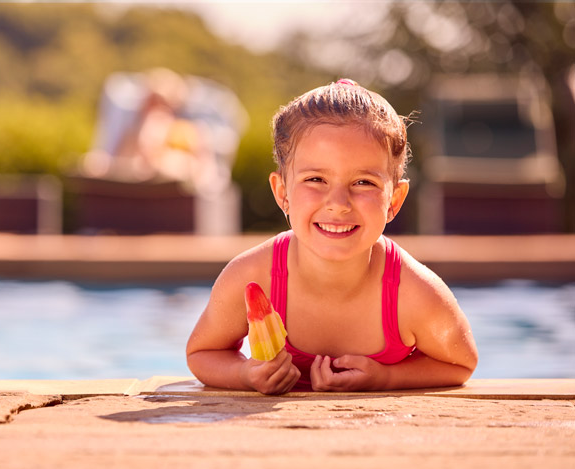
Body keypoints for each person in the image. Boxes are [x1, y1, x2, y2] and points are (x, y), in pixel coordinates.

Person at [186, 79, 478, 394]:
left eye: (364, 182)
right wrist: (245, 374)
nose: (338, 204)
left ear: (394, 200)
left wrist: (387, 378)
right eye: (316, 179)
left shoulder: (415, 293)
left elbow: (460, 363)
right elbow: (202, 353)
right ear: (283, 192)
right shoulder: (251, 277)